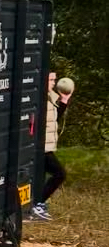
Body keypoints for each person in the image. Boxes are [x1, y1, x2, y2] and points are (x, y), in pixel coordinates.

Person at [31, 72, 73, 221]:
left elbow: (54, 119)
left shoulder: (50, 97)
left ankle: (36, 205)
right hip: (41, 147)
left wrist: (64, 101)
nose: (54, 83)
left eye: (54, 80)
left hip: (46, 145)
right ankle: (37, 204)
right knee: (60, 174)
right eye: (50, 79)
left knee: (40, 177)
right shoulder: (39, 98)